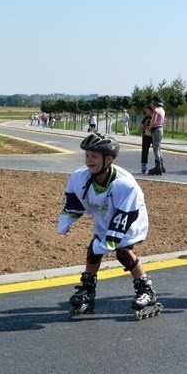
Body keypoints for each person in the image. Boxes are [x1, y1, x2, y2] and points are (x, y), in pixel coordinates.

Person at [59, 133, 161, 319]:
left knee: (122, 251)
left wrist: (109, 242)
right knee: (94, 249)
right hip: (105, 217)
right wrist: (66, 221)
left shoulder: (125, 185)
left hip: (130, 216)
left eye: (94, 156)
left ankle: (146, 291)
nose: (89, 160)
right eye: (87, 155)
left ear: (109, 159)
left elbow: (123, 219)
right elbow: (73, 201)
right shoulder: (79, 177)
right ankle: (88, 289)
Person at [147, 95, 166, 175]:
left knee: (155, 149)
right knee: (158, 148)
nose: (151, 103)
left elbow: (153, 121)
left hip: (156, 129)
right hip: (160, 129)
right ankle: (161, 165)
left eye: (152, 101)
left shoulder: (155, 110)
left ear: (155, 102)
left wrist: (149, 128)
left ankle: (158, 167)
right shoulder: (162, 110)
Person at [139, 105, 153, 174]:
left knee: (156, 151)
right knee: (144, 151)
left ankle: (159, 165)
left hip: (153, 136)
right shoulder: (146, 118)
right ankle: (143, 166)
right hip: (146, 136)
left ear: (151, 110)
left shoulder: (154, 117)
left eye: (147, 110)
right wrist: (142, 133)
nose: (146, 111)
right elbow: (141, 125)